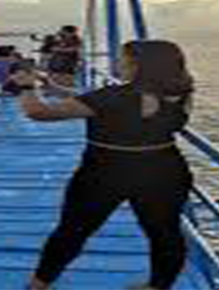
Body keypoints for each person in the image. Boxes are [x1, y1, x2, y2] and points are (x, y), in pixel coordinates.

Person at [13, 39, 195, 290]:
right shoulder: (181, 91)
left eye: (123, 59)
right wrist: (55, 87)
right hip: (163, 168)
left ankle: (39, 285)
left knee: (73, 230)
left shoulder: (112, 97)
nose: (117, 63)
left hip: (106, 171)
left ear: (138, 65)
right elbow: (110, 104)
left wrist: (26, 86)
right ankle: (158, 286)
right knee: (164, 232)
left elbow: (37, 112)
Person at [47, 25, 83, 89]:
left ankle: (68, 87)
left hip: (68, 62)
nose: (62, 33)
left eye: (63, 31)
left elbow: (75, 48)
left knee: (66, 76)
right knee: (55, 75)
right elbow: (52, 45)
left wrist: (60, 49)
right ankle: (57, 87)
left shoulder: (76, 40)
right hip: (58, 61)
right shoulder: (60, 38)